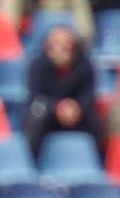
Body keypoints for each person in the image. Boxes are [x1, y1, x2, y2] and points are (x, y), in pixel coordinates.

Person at [24, 24, 102, 161]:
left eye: (65, 46)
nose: (60, 50)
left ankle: (97, 162)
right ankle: (32, 162)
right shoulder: (37, 66)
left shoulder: (85, 65)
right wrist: (57, 107)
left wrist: (76, 107)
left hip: (76, 112)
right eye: (55, 46)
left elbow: (88, 94)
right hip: (49, 110)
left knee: (96, 120)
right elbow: (35, 96)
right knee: (36, 115)